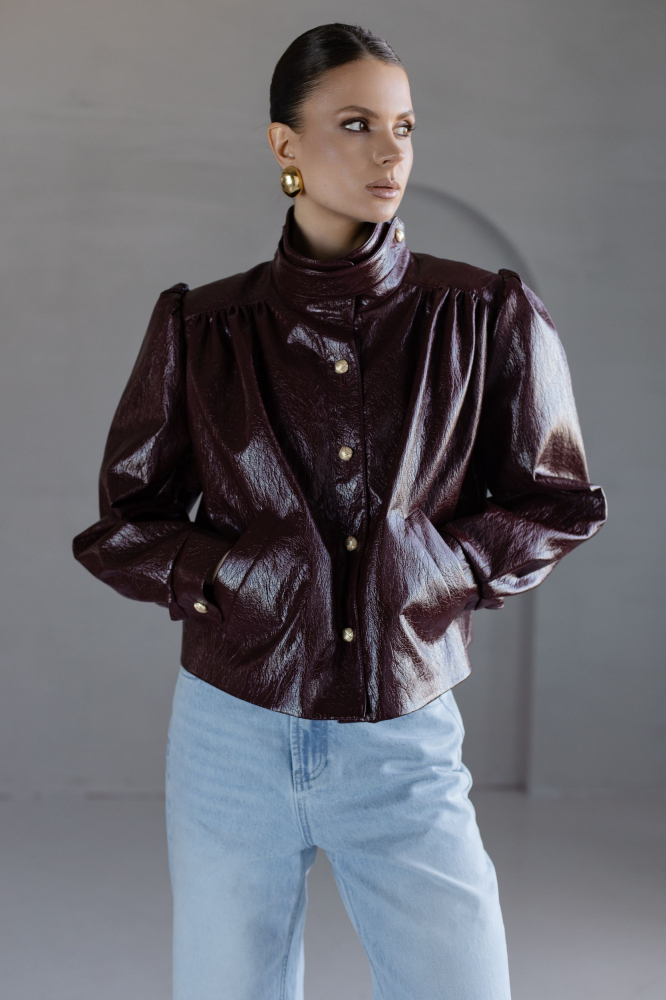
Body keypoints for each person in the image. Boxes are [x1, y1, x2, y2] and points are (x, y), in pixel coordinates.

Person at [72, 22, 607, 1000]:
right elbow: (123, 520)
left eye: (404, 126)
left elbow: (558, 498)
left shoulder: (482, 314)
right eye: (356, 124)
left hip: (402, 730)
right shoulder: (201, 327)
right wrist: (227, 575)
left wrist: (445, 570)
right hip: (229, 733)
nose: (389, 151)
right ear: (285, 144)